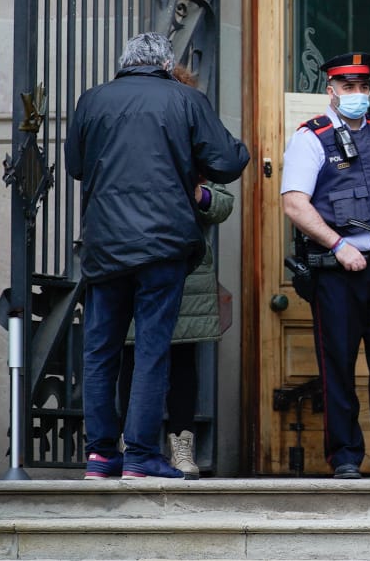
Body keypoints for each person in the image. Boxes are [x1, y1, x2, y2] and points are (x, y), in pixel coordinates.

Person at [66, 32, 250, 480]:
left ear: (124, 61)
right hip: (164, 245)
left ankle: (100, 454)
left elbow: (75, 165)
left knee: (100, 352)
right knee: (151, 350)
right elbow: (228, 162)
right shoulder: (185, 99)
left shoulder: (93, 100)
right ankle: (141, 455)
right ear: (167, 63)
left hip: (105, 245)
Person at [280, 52, 370, 479]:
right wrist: (338, 244)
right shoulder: (311, 136)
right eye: (348, 87)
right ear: (331, 90)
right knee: (337, 365)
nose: (357, 94)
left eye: (363, 87)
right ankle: (345, 456)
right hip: (336, 269)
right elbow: (294, 204)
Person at [118, 64, 236, 479]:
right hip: (139, 261)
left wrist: (197, 193)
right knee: (132, 359)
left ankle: (181, 445)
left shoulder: (198, 141)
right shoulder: (133, 143)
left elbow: (223, 203)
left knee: (183, 363)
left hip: (189, 272)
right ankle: (130, 442)